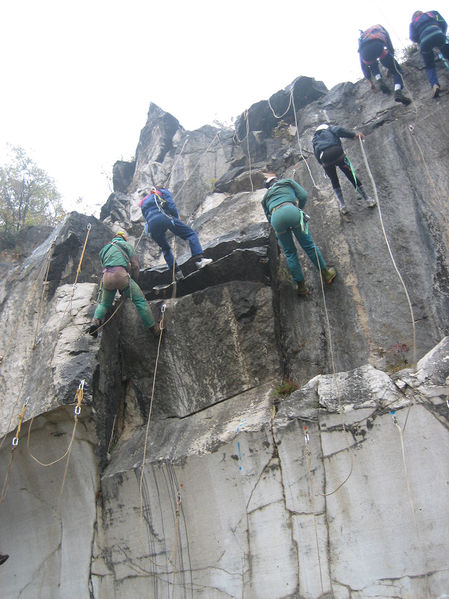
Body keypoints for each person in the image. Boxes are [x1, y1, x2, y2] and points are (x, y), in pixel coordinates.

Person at [262, 174, 336, 296]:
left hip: (276, 218)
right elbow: (303, 195)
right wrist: (299, 209)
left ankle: (301, 287)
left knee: (290, 253)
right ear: (276, 180)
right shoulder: (286, 182)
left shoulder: (265, 198)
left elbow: (268, 218)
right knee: (308, 246)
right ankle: (326, 274)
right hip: (290, 210)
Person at [88, 231, 160, 337]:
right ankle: (154, 329)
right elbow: (135, 266)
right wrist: (134, 280)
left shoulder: (104, 249)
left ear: (114, 238)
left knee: (104, 304)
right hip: (120, 275)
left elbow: (106, 265)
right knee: (140, 301)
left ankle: (95, 321)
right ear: (123, 238)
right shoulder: (125, 245)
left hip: (106, 278)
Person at [139, 187, 212, 280]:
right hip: (163, 217)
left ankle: (177, 272)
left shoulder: (144, 202)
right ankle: (199, 260)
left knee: (165, 248)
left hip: (151, 225)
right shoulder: (161, 192)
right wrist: (175, 218)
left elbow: (145, 216)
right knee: (190, 234)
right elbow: (170, 204)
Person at [312, 123, 376, 215]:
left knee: (334, 180)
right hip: (337, 153)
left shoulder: (315, 139)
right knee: (350, 175)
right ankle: (368, 199)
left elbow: (316, 153)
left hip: (325, 159)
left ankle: (343, 206)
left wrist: (322, 164)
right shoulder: (329, 129)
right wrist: (354, 135)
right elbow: (339, 131)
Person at [358, 24, 411, 105]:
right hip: (377, 45)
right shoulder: (379, 28)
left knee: (372, 62)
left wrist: (370, 81)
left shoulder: (362, 38)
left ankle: (378, 79)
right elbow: (389, 46)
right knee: (397, 71)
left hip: (365, 53)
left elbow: (362, 63)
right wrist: (390, 66)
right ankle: (398, 92)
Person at [409, 10, 449, 97]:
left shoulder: (413, 23)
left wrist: (421, 41)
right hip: (437, 32)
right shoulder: (433, 13)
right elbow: (444, 24)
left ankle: (435, 85)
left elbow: (412, 37)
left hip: (424, 39)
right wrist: (442, 34)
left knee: (430, 65)